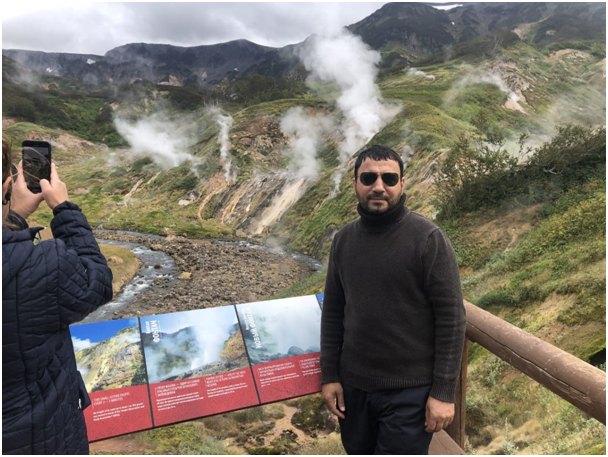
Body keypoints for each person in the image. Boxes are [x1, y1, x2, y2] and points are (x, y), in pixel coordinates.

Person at [320, 145, 466, 455]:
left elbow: (452, 318)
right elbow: (333, 310)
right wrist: (330, 375)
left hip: (409, 393)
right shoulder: (343, 240)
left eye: (389, 178)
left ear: (402, 183)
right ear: (355, 183)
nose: (378, 186)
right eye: (369, 177)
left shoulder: (428, 238)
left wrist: (443, 392)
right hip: (353, 389)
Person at [2, 138, 113, 454]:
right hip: (44, 441)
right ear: (7, 185)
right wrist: (63, 209)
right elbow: (98, 280)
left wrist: (15, 218)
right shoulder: (41, 265)